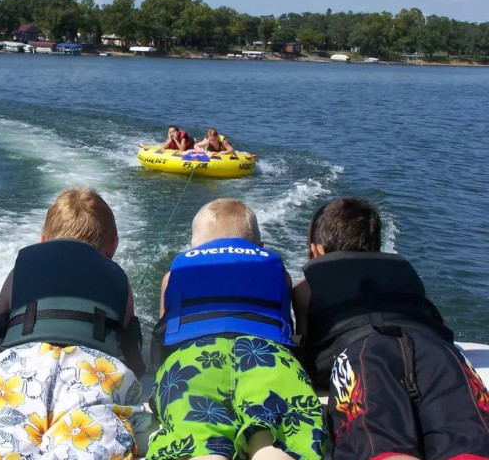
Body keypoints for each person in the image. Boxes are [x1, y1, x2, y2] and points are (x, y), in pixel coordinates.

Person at [0, 187, 148, 460]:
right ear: (113, 245)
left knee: (0, 439)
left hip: (19, 369)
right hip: (90, 374)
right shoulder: (120, 282)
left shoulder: (20, 270)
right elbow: (129, 352)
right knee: (90, 445)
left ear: (43, 240)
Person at [294, 197, 489, 460]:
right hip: (437, 350)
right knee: (467, 438)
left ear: (317, 250)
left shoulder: (306, 289)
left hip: (363, 351)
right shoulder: (403, 273)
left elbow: (310, 352)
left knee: (380, 441)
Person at [148, 198, 327, 460]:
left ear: (194, 248)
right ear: (260, 247)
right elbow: (286, 328)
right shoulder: (280, 273)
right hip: (266, 357)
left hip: (193, 359)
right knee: (275, 434)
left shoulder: (173, 275)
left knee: (197, 434)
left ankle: (206, 452)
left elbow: (165, 336)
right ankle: (266, 448)